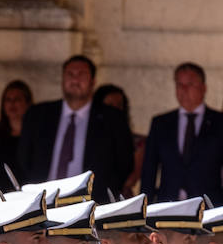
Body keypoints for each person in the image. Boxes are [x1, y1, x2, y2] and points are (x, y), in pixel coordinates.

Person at [18, 54, 135, 200]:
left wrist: (103, 193)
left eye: (81, 74)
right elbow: (24, 158)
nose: (75, 79)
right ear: (62, 80)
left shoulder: (112, 118)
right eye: (70, 74)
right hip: (43, 201)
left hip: (92, 204)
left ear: (93, 82)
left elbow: (125, 163)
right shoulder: (38, 114)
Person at [140, 62, 223, 204]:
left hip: (208, 208)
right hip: (167, 209)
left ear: (203, 88)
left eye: (190, 84)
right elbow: (148, 174)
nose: (184, 90)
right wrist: (144, 210)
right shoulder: (160, 124)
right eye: (179, 85)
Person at [0, 79, 32, 191]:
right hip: (3, 198)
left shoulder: (35, 135)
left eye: (17, 99)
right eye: (8, 100)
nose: (12, 104)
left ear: (27, 103)